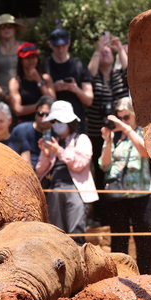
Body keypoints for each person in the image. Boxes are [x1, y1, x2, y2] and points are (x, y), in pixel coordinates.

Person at [100, 97, 151, 275]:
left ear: (134, 116)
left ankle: (147, 278)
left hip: (141, 195)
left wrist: (127, 129)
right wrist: (107, 141)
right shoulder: (113, 136)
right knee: (119, 240)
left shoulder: (142, 132)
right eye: (119, 117)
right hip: (118, 197)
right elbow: (105, 165)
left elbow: (145, 152)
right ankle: (120, 277)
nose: (122, 121)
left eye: (126, 117)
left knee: (144, 240)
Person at [36, 101, 98, 246]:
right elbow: (39, 170)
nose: (56, 124)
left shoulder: (81, 139)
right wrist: (46, 154)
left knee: (76, 233)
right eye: (54, 121)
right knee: (56, 234)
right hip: (54, 190)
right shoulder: (52, 142)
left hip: (75, 190)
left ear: (70, 121)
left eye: (60, 120)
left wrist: (58, 150)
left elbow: (79, 164)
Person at [87, 31, 129, 198]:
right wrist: (98, 49)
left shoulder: (119, 75)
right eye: (102, 52)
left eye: (108, 51)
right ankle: (100, 211)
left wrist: (119, 49)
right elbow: (88, 73)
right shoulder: (93, 77)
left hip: (120, 129)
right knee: (99, 169)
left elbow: (129, 70)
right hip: (97, 132)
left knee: (121, 165)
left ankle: (125, 200)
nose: (105, 52)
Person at [41, 28, 93, 132]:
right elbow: (38, 98)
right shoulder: (43, 67)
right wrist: (52, 88)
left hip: (76, 123)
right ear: (50, 44)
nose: (60, 50)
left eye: (63, 45)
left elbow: (89, 100)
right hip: (52, 123)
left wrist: (75, 89)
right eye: (57, 46)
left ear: (68, 43)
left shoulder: (80, 66)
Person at [8, 42, 55, 125]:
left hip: (45, 124)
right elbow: (18, 110)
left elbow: (52, 102)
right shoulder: (15, 82)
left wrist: (39, 81)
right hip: (25, 124)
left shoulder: (46, 79)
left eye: (33, 57)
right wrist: (41, 106)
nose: (31, 60)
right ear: (20, 60)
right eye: (27, 57)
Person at [0, 13, 26, 101]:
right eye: (2, 27)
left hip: (23, 91)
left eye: (9, 26)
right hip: (0, 95)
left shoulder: (24, 47)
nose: (6, 29)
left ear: (15, 28)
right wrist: (3, 95)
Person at [10, 95, 55, 170]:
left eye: (48, 115)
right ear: (35, 113)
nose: (43, 118)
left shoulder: (57, 134)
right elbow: (10, 156)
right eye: (40, 114)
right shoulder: (21, 130)